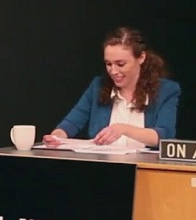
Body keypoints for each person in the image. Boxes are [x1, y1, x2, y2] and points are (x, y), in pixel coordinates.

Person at [43, 27, 180, 148]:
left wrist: (123, 129)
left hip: (144, 170)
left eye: (120, 64)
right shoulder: (98, 86)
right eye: (109, 64)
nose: (113, 71)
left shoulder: (166, 90)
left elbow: (164, 136)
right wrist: (56, 136)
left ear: (141, 57)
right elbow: (71, 123)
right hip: (104, 168)